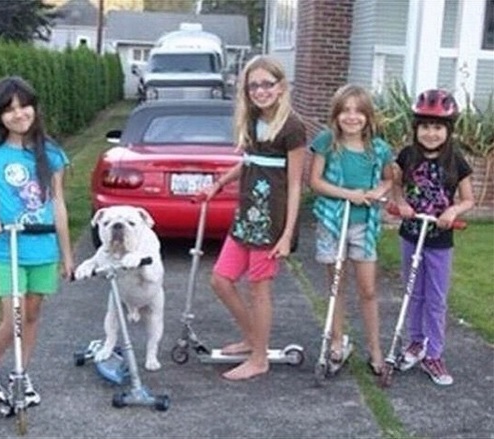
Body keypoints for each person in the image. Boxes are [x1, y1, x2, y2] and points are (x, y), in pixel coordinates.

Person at [0, 76, 74, 406]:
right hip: (9, 250)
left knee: (31, 316)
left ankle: (21, 372)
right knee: (13, 319)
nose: (19, 114)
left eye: (24, 106)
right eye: (9, 110)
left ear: (34, 108)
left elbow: (58, 204)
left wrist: (67, 255)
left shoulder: (51, 153)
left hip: (43, 249)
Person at [203, 55, 307, 381]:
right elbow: (249, 162)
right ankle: (252, 339)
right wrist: (219, 183)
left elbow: (295, 184)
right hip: (246, 217)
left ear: (281, 86)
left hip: (271, 223)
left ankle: (259, 359)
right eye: (253, 86)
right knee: (220, 280)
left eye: (267, 84)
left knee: (259, 290)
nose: (260, 91)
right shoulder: (251, 121)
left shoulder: (292, 127)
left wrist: (287, 234)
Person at [309, 84, 394, 376]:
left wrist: (377, 191)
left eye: (358, 111)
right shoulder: (326, 142)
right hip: (332, 222)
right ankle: (336, 341)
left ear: (368, 116)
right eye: (345, 110)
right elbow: (315, 182)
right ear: (336, 115)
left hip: (363, 225)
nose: (352, 116)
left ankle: (375, 348)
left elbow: (388, 179)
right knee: (336, 285)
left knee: (368, 289)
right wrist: (348, 195)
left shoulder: (378, 149)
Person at [393, 89, 474, 386]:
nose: (431, 133)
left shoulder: (457, 161)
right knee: (413, 292)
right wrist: (401, 203)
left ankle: (434, 354)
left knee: (436, 299)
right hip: (411, 234)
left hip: (439, 240)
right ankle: (415, 343)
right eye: (425, 126)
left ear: (448, 130)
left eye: (438, 127)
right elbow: (396, 185)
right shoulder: (407, 156)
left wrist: (453, 211)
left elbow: (468, 199)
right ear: (416, 128)